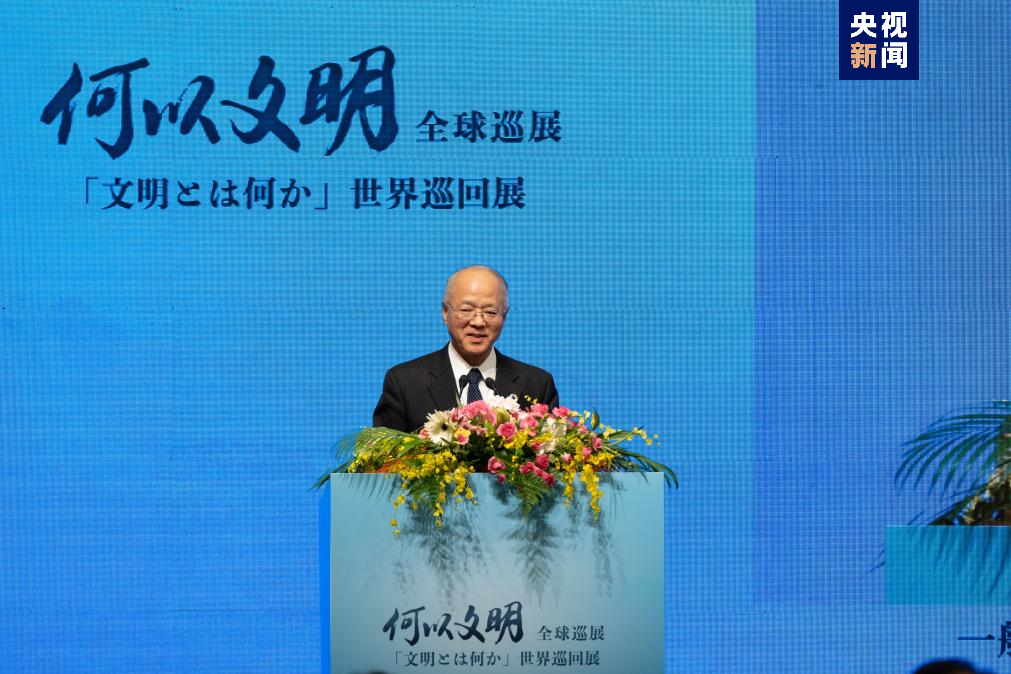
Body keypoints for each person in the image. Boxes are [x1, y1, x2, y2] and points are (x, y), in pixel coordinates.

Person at [373, 265, 559, 432]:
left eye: (490, 312)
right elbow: (383, 457)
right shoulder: (404, 382)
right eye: (466, 310)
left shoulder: (537, 384)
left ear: (504, 316)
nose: (478, 322)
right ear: (445, 312)